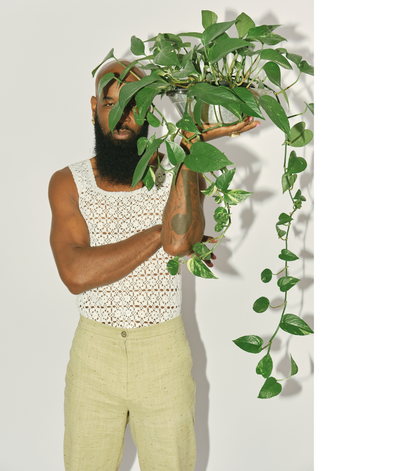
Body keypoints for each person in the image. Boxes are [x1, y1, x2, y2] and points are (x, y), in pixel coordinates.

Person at [48, 60, 259, 471]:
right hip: (94, 352)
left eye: (135, 103)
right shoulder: (68, 182)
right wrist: (159, 234)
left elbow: (180, 240)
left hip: (163, 352)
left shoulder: (178, 169)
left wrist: (191, 151)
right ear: (94, 108)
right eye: (112, 103)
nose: (123, 115)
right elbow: (76, 274)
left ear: (150, 108)